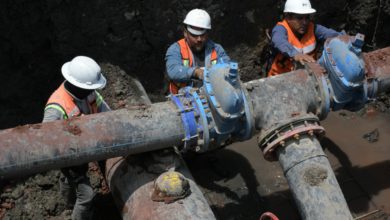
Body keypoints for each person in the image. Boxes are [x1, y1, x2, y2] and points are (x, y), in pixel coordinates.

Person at [42, 56, 110, 220]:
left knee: (69, 179)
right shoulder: (56, 107)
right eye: (90, 87)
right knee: (86, 196)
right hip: (68, 156)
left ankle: (69, 204)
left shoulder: (89, 93)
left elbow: (107, 113)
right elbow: (46, 139)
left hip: (82, 150)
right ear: (76, 84)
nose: (93, 91)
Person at [267, 0, 341, 76]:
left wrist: (345, 38)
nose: (305, 22)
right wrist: (295, 54)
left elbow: (333, 35)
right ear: (288, 17)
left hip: (307, 77)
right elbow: (278, 40)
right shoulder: (280, 29)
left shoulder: (313, 28)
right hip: (278, 80)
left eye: (307, 17)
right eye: (299, 18)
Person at [165, 8, 230, 94]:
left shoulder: (216, 49)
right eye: (194, 35)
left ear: (207, 33)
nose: (199, 39)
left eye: (202, 35)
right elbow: (173, 71)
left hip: (212, 96)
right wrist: (196, 72)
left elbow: (227, 67)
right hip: (181, 100)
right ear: (185, 33)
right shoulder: (176, 49)